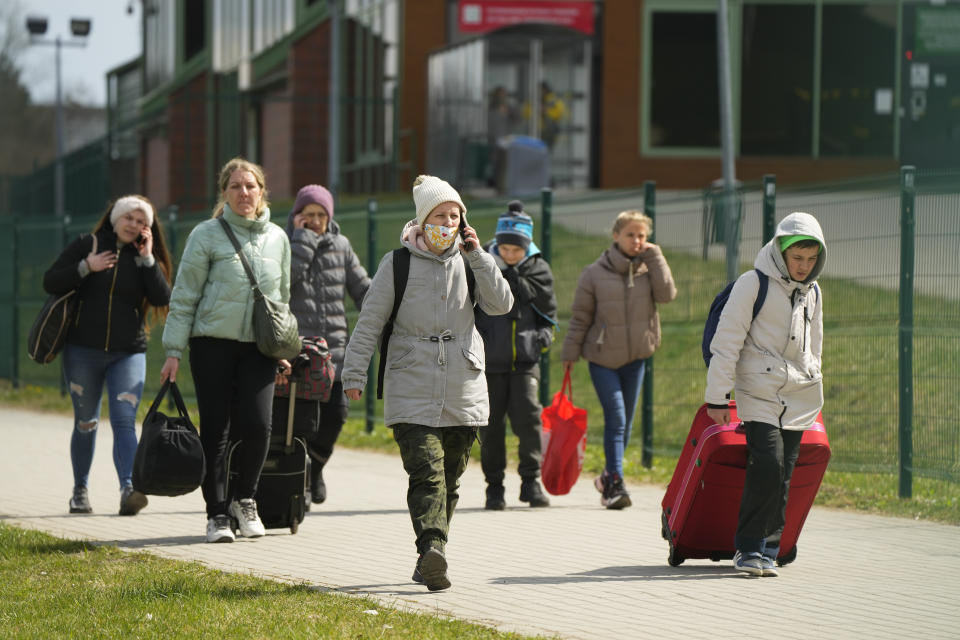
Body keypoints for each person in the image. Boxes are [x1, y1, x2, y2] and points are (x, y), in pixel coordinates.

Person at [340, 175, 512, 591]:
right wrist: (354, 372)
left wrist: (479, 256)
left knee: (451, 477)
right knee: (427, 471)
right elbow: (369, 323)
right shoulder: (395, 264)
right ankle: (432, 547)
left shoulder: (471, 261)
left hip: (463, 385)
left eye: (455, 216)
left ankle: (430, 557)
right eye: (440, 215)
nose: (448, 222)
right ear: (422, 219)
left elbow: (501, 304)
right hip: (410, 381)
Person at [160, 157, 293, 544]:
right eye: (235, 186)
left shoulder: (278, 238)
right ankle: (217, 513)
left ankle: (245, 499)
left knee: (259, 424)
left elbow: (281, 298)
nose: (244, 193)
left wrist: (280, 344)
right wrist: (173, 350)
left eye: (251, 186)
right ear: (224, 193)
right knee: (216, 429)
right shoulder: (206, 235)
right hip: (211, 345)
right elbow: (184, 296)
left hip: (258, 348)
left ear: (262, 191)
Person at [704, 212, 826, 577]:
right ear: (780, 251)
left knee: (785, 470)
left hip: (798, 395)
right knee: (768, 464)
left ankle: (771, 548)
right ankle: (749, 548)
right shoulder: (751, 283)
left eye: (810, 259)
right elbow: (726, 341)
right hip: (758, 391)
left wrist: (813, 381)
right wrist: (717, 397)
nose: (803, 266)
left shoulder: (814, 292)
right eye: (796, 258)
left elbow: (814, 347)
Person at [43, 195, 172, 516]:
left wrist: (147, 260)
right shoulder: (88, 244)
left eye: (143, 222)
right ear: (115, 218)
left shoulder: (145, 258)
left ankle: (129, 489)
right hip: (82, 352)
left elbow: (162, 297)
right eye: (129, 218)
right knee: (86, 422)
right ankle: (79, 491)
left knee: (125, 421)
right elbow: (51, 280)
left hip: (127, 354)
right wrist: (86, 267)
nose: (135, 225)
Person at [561, 210, 677, 509]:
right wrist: (570, 352)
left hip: (636, 358)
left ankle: (607, 477)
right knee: (617, 419)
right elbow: (580, 317)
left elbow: (667, 295)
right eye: (630, 235)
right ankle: (616, 484)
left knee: (623, 424)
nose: (637, 241)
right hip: (603, 359)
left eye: (642, 236)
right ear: (616, 236)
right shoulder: (593, 273)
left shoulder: (648, 268)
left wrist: (657, 257)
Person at [285, 184, 370, 504]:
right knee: (302, 420)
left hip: (336, 353)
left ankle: (315, 468)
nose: (317, 221)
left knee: (338, 414)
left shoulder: (341, 245)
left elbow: (362, 287)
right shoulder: (285, 244)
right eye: (309, 215)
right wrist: (302, 241)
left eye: (322, 215)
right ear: (297, 216)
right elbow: (284, 283)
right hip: (298, 352)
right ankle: (297, 479)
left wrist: (385, 308)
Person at [475, 200, 558, 510]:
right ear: (497, 242)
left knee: (529, 421)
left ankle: (530, 481)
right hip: (488, 364)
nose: (510, 255)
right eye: (505, 249)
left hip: (525, 362)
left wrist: (541, 340)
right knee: (490, 426)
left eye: (516, 250)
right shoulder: (480, 265)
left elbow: (548, 314)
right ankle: (494, 487)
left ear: (527, 246)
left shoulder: (539, 269)